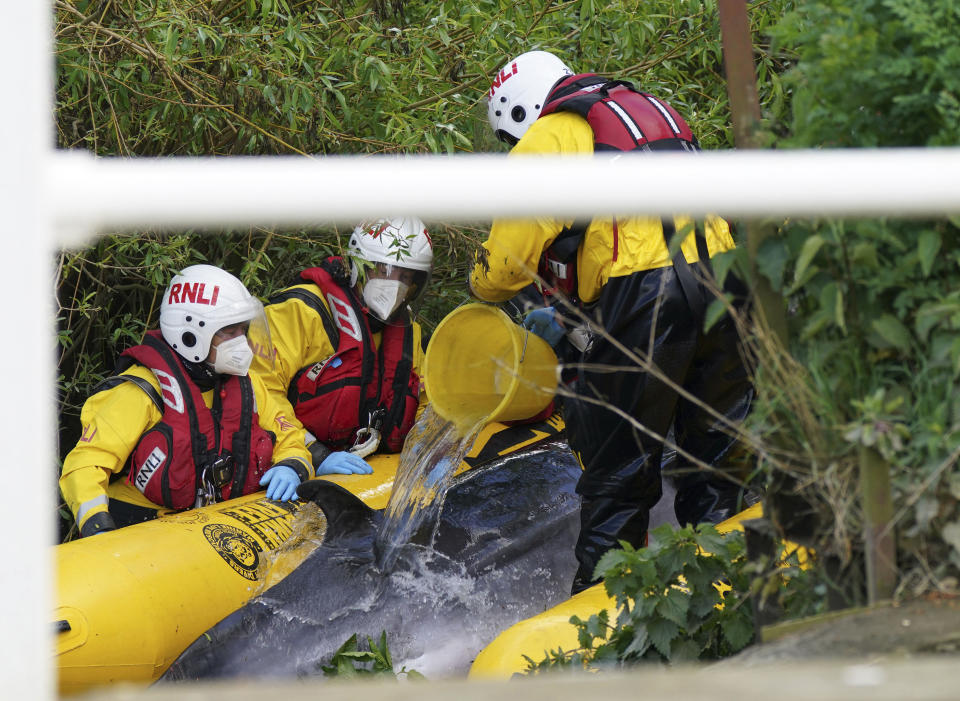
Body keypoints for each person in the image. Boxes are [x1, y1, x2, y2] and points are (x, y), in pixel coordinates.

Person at [470, 50, 754, 593]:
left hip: (650, 295)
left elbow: (505, 267)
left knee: (618, 473)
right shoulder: (647, 109)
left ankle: (601, 612)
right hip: (724, 281)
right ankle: (724, 592)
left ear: (519, 111)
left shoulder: (551, 136)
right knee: (716, 455)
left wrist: (478, 283)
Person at [60, 264, 315, 537]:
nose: (241, 342)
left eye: (243, 330)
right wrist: (97, 525)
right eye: (229, 332)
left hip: (210, 525)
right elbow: (86, 464)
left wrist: (292, 465)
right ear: (191, 335)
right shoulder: (142, 392)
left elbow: (290, 436)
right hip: (140, 526)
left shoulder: (249, 385)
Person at [252, 217, 433, 474]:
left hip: (367, 462)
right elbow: (261, 390)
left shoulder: (407, 333)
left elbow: (424, 396)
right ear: (359, 265)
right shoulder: (301, 312)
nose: (395, 287)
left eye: (405, 278)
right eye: (385, 272)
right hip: (300, 461)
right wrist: (312, 453)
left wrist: (430, 440)